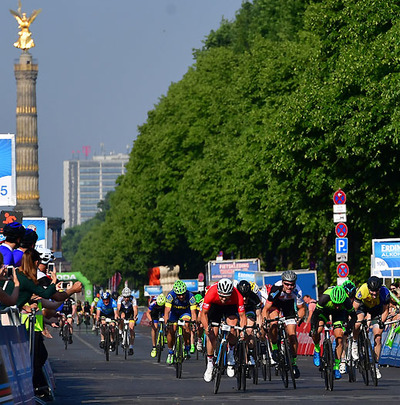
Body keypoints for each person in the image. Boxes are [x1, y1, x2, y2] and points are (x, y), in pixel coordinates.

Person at [200, 278, 246, 382]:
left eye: (226, 296)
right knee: (212, 335)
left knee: (233, 328)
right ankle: (210, 363)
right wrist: (207, 327)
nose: (224, 299)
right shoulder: (211, 292)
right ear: (218, 292)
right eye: (221, 296)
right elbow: (204, 314)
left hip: (230, 307)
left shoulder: (237, 295)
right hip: (215, 307)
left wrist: (242, 330)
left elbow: (243, 316)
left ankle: (230, 354)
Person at [262, 270, 306, 379]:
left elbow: (301, 309)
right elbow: (266, 309)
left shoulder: (298, 291)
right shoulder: (275, 289)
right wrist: (265, 320)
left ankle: (294, 363)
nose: (289, 287)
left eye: (292, 285)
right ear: (282, 283)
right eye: (287, 284)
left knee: (292, 336)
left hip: (289, 308)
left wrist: (299, 318)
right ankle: (275, 347)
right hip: (275, 306)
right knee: (274, 324)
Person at [310, 285, 356, 379]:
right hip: (324, 311)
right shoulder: (324, 298)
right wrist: (313, 329)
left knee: (339, 338)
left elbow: (354, 317)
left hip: (338, 315)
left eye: (340, 304)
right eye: (335, 304)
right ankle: (317, 349)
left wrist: (348, 329)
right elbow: (314, 315)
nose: (338, 306)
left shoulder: (346, 301)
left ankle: (336, 366)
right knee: (317, 330)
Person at [351, 276, 390, 379]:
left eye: (376, 292)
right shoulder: (362, 290)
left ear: (379, 289)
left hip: (377, 310)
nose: (374, 294)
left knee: (378, 337)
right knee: (357, 324)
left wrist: (382, 322)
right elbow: (354, 308)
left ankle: (376, 365)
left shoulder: (384, 293)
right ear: (368, 288)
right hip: (363, 307)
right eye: (371, 292)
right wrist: (353, 320)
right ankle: (355, 342)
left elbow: (385, 310)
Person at [164, 280, 197, 364]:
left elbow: (193, 312)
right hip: (174, 313)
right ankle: (170, 352)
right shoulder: (170, 295)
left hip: (185, 312)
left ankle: (186, 345)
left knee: (186, 325)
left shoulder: (191, 296)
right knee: (171, 330)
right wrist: (166, 322)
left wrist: (193, 322)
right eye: (179, 295)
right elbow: (167, 310)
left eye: (183, 294)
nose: (181, 296)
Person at [237, 279, 263, 365]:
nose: (244, 299)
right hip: (237, 312)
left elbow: (259, 315)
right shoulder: (234, 296)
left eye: (246, 296)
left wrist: (259, 328)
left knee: (249, 330)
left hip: (249, 312)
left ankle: (251, 354)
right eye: (242, 296)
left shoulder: (254, 298)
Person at [117, 287, 138, 355]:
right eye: (125, 297)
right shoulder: (120, 298)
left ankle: (131, 347)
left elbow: (135, 309)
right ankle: (120, 331)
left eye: (128, 297)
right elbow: (118, 308)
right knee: (121, 317)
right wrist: (118, 315)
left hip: (130, 312)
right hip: (123, 311)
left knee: (131, 328)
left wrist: (135, 317)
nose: (126, 299)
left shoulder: (133, 299)